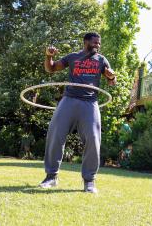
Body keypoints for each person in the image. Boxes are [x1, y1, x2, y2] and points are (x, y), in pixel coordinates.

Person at [39, 32, 116, 193]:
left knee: (94, 139)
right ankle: (51, 177)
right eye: (95, 43)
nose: (98, 45)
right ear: (85, 42)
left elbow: (112, 82)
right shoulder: (73, 57)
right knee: (55, 134)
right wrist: (48, 56)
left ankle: (89, 181)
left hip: (90, 102)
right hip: (69, 99)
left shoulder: (101, 60)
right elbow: (51, 69)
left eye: (99, 43)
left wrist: (111, 77)